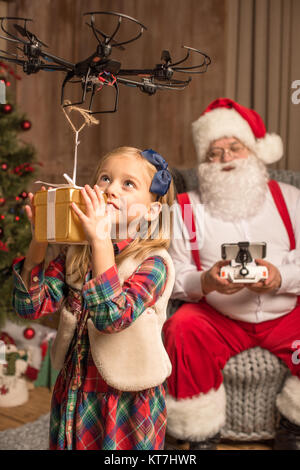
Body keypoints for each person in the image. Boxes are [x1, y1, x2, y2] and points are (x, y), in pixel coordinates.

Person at [12, 146, 175, 450]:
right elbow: (29, 306)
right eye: (104, 178)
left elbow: (111, 319)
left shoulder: (154, 263)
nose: (111, 189)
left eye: (128, 183)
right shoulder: (75, 254)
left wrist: (99, 241)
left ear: (152, 211)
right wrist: (39, 242)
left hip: (128, 398)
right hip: (75, 389)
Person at [163, 98, 300, 450]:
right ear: (204, 162)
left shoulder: (290, 198)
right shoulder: (186, 209)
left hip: (286, 313)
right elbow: (174, 272)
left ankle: (294, 424)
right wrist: (204, 282)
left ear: (254, 153)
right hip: (219, 315)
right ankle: (199, 435)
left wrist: (280, 277)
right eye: (214, 152)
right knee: (182, 327)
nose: (224, 159)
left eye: (234, 148)